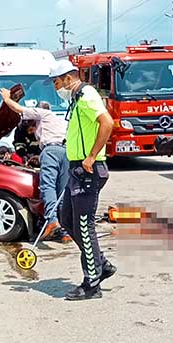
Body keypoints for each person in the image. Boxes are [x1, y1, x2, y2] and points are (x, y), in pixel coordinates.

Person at [48, 59, 117, 300]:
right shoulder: (77, 99)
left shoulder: (87, 95)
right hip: (77, 170)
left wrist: (91, 156)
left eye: (57, 82)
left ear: (68, 78)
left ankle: (91, 283)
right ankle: (100, 264)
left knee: (84, 227)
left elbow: (107, 123)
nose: (56, 88)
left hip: (88, 170)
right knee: (67, 219)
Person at [0, 89, 70, 241]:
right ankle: (64, 230)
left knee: (47, 187)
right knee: (61, 191)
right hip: (66, 152)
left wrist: (6, 99)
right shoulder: (58, 120)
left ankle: (52, 221)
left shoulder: (43, 114)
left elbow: (19, 109)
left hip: (51, 152)